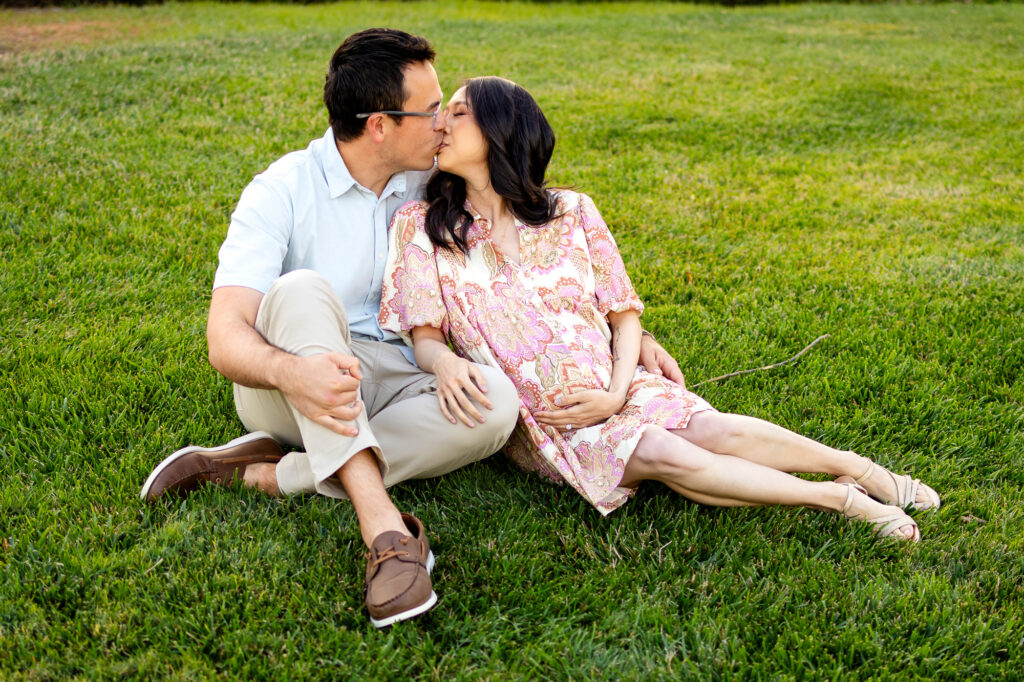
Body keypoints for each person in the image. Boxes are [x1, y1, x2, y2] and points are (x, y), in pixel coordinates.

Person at [139, 31, 682, 628]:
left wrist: (626, 333)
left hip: (402, 374)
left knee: (496, 406)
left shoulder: (432, 181)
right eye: (431, 112)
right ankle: (388, 536)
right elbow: (226, 337)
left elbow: (538, 241)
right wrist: (296, 372)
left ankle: (274, 472)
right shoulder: (281, 192)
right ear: (379, 125)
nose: (445, 124)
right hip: (292, 382)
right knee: (301, 289)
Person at [380, 76, 940, 543]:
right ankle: (835, 499)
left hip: (614, 382)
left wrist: (618, 392)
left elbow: (624, 317)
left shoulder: (571, 212)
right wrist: (444, 363)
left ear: (502, 130)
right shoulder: (422, 226)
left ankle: (856, 466)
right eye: (443, 114)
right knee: (660, 450)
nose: (440, 124)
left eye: (458, 113)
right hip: (548, 420)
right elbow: (425, 335)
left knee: (709, 429)